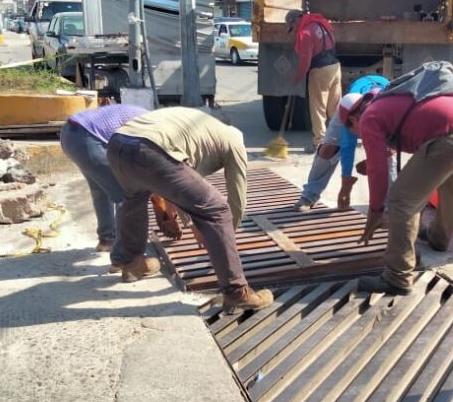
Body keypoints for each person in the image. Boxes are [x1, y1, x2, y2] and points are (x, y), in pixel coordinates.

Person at [107, 107, 274, 313]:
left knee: (134, 199)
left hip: (118, 144)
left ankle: (131, 263)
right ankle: (237, 293)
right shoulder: (234, 139)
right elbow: (237, 199)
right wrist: (227, 235)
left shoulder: (202, 130)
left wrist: (192, 224)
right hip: (150, 149)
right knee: (218, 210)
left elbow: (181, 188)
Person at [340, 87, 453, 295]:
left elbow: (378, 171)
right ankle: (438, 238)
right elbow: (400, 139)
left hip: (450, 136)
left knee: (401, 200)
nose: (358, 135)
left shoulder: (368, 118)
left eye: (353, 131)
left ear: (353, 120)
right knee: (452, 189)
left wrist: (375, 211)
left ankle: (397, 277)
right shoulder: (384, 101)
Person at [293, 74, 393, 212]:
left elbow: (397, 143)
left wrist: (376, 157)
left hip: (378, 108)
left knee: (387, 158)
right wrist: (346, 186)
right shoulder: (349, 111)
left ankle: (389, 205)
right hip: (353, 103)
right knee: (328, 149)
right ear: (352, 119)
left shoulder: (387, 111)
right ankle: (309, 196)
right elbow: (347, 147)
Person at [59, 104, 149, 255]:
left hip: (70, 135)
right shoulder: (152, 127)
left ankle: (107, 240)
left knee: (101, 189)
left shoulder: (145, 117)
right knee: (128, 196)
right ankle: (127, 256)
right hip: (87, 138)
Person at [287, 9, 342, 153]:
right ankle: (339, 140)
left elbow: (305, 62)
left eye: (293, 27)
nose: (294, 30)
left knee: (318, 108)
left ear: (296, 20)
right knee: (335, 107)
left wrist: (296, 79)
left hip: (320, 71)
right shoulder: (323, 25)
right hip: (335, 67)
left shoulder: (306, 33)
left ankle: (319, 143)